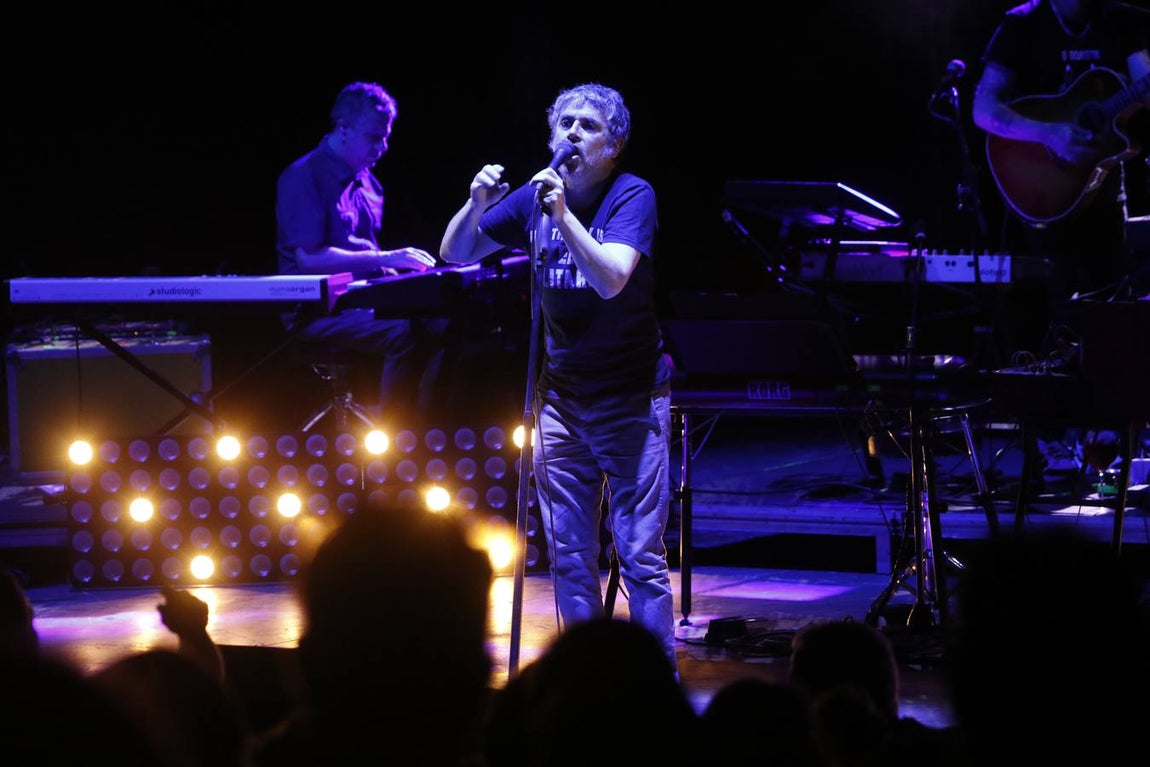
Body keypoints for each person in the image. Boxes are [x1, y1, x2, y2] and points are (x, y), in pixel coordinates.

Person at [439, 82, 679, 670]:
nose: (572, 132)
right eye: (565, 123)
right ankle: (585, 679)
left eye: (588, 125)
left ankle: (655, 683)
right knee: (570, 555)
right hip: (561, 402)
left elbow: (611, 278)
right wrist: (475, 203)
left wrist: (563, 217)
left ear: (613, 145)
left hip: (630, 397)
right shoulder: (536, 194)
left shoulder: (631, 194)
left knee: (639, 556)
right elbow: (455, 252)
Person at [971, 0, 1150, 477]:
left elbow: (1143, 82)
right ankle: (1054, 439)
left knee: (1113, 316)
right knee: (1053, 318)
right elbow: (983, 108)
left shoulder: (1122, 19)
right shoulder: (1022, 24)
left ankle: (1110, 445)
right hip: (1043, 191)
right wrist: (1047, 133)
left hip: (1104, 189)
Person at [276, 81, 443, 421]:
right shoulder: (303, 177)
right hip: (315, 314)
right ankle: (398, 433)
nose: (383, 147)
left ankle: (425, 425)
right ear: (344, 128)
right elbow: (309, 260)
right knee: (404, 333)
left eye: (386, 137)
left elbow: (369, 260)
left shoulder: (369, 183)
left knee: (445, 320)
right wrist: (386, 258)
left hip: (359, 303)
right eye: (374, 137)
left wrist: (413, 278)